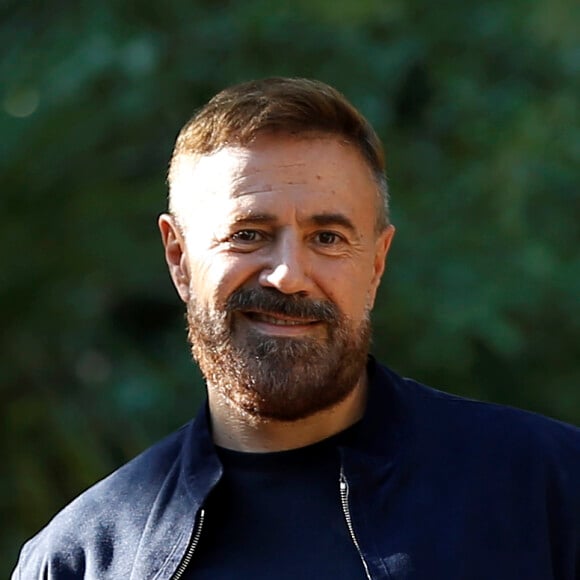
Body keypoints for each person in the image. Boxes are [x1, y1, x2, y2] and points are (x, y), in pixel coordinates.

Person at [12, 78, 580, 579]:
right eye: (249, 234)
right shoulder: (81, 560)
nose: (288, 275)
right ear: (179, 257)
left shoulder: (548, 490)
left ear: (376, 263)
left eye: (327, 238)